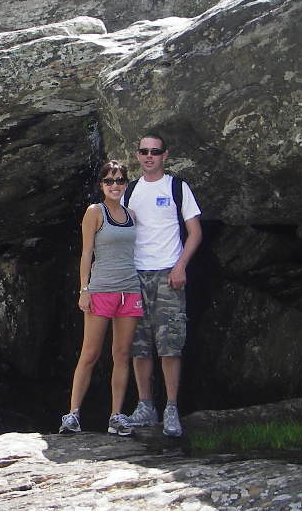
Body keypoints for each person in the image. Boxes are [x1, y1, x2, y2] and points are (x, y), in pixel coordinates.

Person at [123, 133, 202, 437]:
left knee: (170, 344)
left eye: (155, 151)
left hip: (169, 273)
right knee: (138, 345)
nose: (149, 156)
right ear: (137, 155)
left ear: (165, 155)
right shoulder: (129, 192)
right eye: (143, 151)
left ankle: (171, 407)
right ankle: (145, 406)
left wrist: (181, 265)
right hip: (136, 275)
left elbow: (195, 232)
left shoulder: (177, 188)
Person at [59, 160, 143, 436]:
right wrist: (84, 290)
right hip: (101, 290)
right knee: (90, 353)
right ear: (101, 185)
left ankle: (116, 415)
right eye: (109, 181)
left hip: (129, 291)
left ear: (126, 184)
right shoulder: (95, 212)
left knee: (121, 354)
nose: (115, 185)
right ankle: (72, 414)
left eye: (119, 180)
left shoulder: (131, 214)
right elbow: (86, 253)